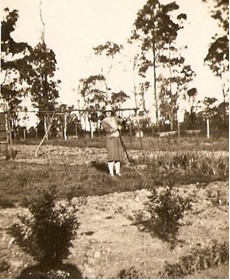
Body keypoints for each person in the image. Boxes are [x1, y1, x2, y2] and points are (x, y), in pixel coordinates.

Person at [101, 104, 123, 176]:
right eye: (106, 111)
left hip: (117, 138)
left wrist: (124, 121)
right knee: (111, 156)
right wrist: (117, 128)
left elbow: (121, 121)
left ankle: (117, 172)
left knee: (117, 156)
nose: (108, 113)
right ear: (104, 113)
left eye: (109, 111)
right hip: (110, 139)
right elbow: (108, 130)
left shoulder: (115, 118)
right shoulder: (103, 121)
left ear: (111, 112)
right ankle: (111, 172)